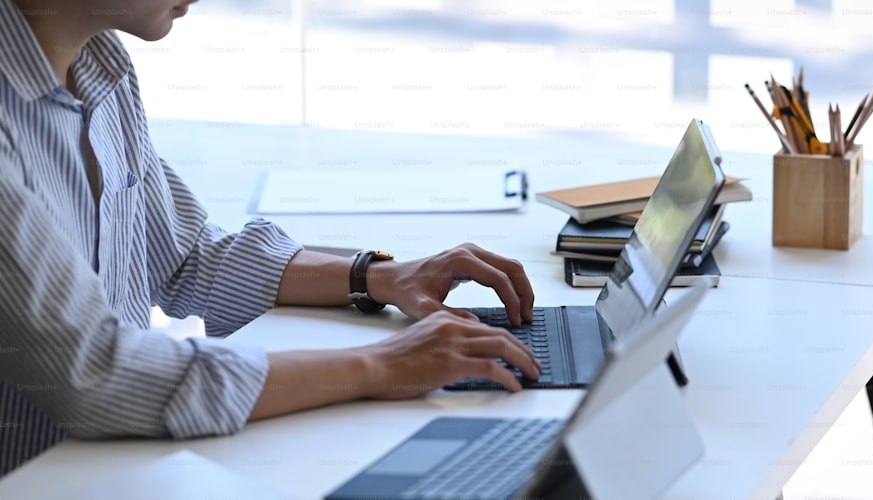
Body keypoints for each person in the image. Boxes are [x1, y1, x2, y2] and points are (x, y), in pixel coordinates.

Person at [0, 0, 541, 477]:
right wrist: (382, 365)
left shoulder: (100, 67)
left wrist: (375, 277)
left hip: (115, 468)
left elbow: (187, 259)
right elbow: (99, 375)